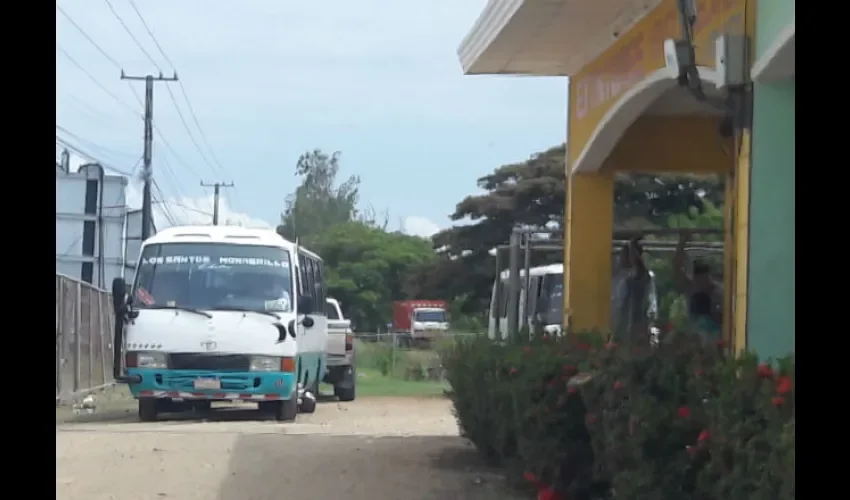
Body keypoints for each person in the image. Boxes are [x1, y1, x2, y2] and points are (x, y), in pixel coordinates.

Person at [673, 230, 724, 344]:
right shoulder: (692, 288)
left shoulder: (719, 292)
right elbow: (676, 265)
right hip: (694, 337)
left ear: (708, 276)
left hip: (714, 337)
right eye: (698, 278)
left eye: (703, 278)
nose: (700, 282)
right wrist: (682, 242)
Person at [610, 237, 654, 343]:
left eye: (625, 254)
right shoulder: (620, 276)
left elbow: (641, 273)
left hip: (633, 323)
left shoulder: (639, 276)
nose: (620, 258)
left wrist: (633, 249)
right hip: (621, 323)